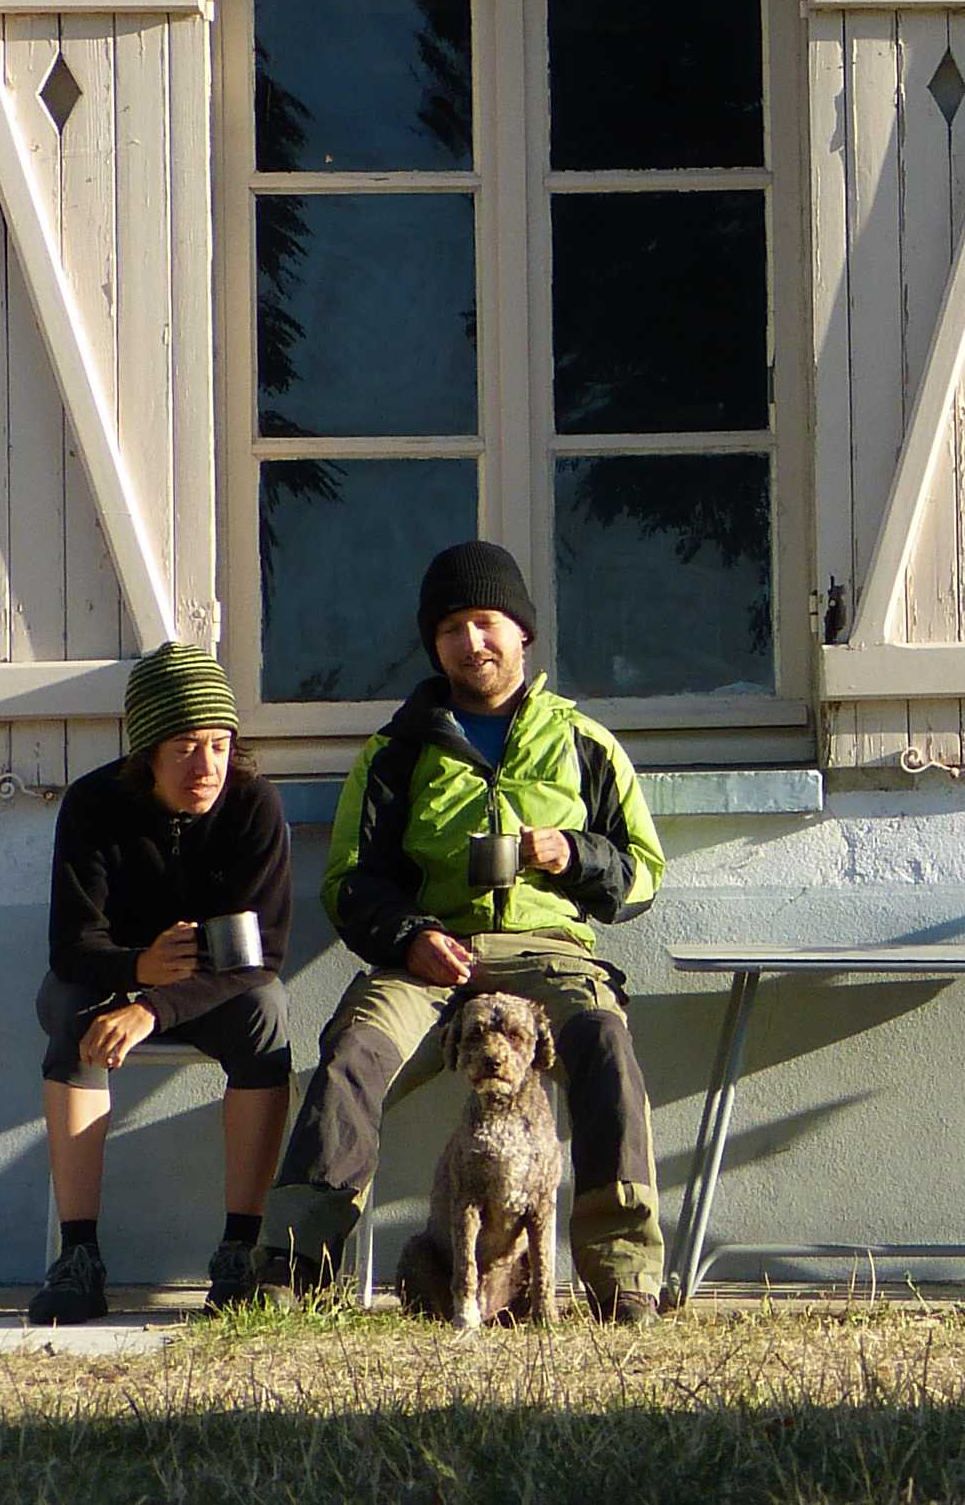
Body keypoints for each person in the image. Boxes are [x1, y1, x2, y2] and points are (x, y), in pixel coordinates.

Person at [260, 541, 671, 1318]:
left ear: (522, 633)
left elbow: (643, 873)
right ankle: (293, 1270)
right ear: (433, 644)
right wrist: (410, 935)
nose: (470, 642)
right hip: (428, 956)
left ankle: (624, 1278)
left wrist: (573, 853)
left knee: (606, 1046)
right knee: (352, 1055)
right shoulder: (394, 753)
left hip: (548, 956)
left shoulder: (585, 743)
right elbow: (348, 883)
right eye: (451, 629)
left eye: (485, 622)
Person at [30, 642, 294, 1325]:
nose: (205, 767)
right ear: (146, 748)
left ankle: (240, 1251)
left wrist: (154, 1005)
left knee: (267, 1012)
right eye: (183, 746)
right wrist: (134, 971)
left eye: (218, 744)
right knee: (70, 1013)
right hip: (112, 981)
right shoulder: (93, 805)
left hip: (210, 992)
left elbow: (258, 957)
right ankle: (79, 1255)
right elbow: (71, 945)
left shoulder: (253, 806)